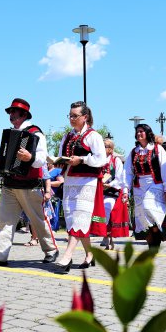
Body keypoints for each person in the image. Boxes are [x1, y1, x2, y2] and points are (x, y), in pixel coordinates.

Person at [0, 98, 58, 266]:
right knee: (4, 221)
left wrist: (29, 157)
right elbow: (1, 154)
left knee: (38, 220)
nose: (10, 115)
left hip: (30, 185)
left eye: (13, 112)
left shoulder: (36, 133)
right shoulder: (8, 133)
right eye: (10, 112)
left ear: (24, 114)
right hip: (10, 184)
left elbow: (41, 160)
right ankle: (0, 256)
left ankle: (51, 250)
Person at [57, 101, 107, 273]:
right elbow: (60, 156)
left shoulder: (94, 136)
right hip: (70, 181)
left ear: (85, 117)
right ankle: (90, 254)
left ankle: (67, 256)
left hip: (87, 181)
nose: (71, 118)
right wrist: (59, 162)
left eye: (75, 116)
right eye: (70, 115)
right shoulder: (67, 136)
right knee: (73, 219)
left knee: (80, 217)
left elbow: (101, 159)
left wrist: (83, 159)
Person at [123, 124, 166, 248]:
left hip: (155, 184)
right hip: (138, 187)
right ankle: (152, 240)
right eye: (137, 132)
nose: (139, 133)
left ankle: (156, 234)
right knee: (142, 216)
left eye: (141, 131)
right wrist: (126, 189)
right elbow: (128, 172)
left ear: (148, 133)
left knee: (148, 207)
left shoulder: (157, 149)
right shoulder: (133, 152)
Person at [100, 138, 129, 250]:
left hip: (112, 192)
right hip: (99, 192)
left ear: (111, 149)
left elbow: (120, 177)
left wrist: (109, 185)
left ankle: (107, 236)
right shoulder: (98, 160)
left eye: (105, 146)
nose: (103, 148)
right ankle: (106, 236)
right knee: (98, 214)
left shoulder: (115, 161)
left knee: (106, 210)